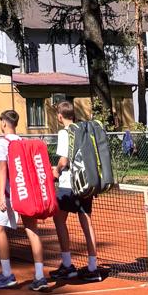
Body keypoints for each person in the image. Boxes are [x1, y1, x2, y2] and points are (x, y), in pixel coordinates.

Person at [0, 109, 49, 292]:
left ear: (5, 123)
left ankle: (7, 275)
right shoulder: (23, 142)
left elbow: (2, 170)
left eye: (1, 122)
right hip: (27, 194)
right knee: (32, 230)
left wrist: (1, 197)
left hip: (11, 195)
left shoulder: (1, 143)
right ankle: (40, 276)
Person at [52, 99, 104, 282]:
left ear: (60, 116)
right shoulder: (84, 130)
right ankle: (92, 267)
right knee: (86, 222)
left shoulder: (65, 133)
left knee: (58, 219)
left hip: (68, 184)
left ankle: (67, 265)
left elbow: (64, 161)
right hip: (86, 183)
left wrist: (55, 171)